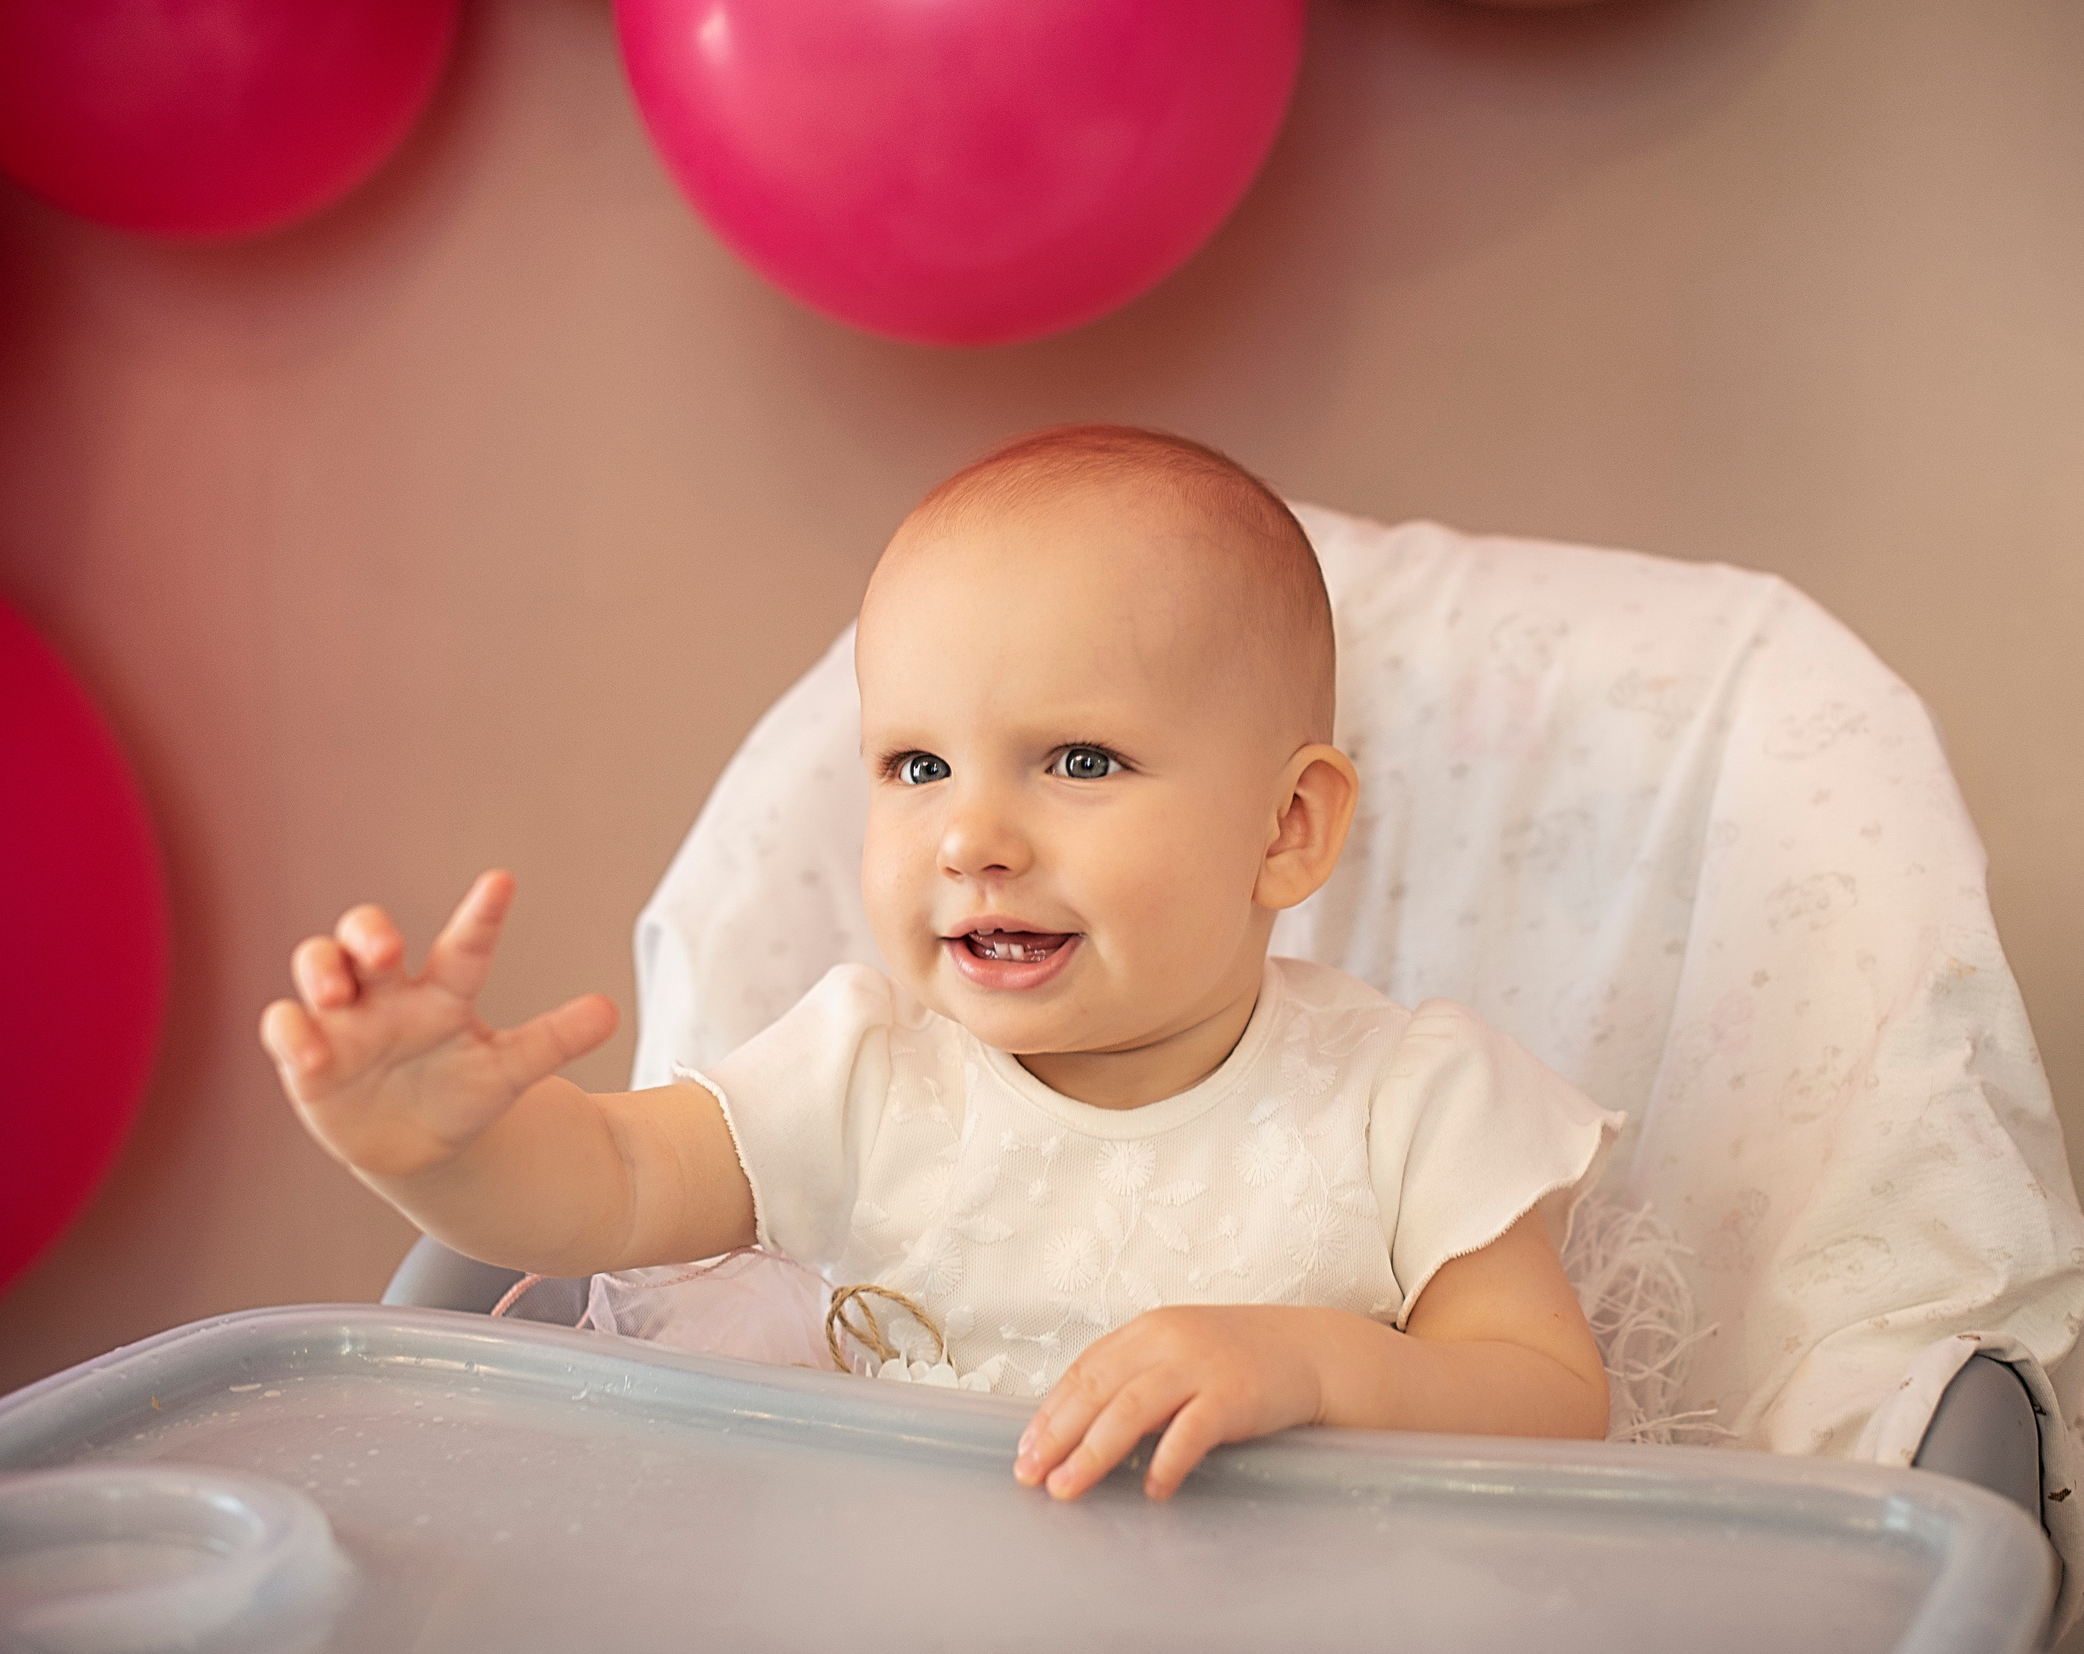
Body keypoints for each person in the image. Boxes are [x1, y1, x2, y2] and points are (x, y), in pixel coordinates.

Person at [262, 424, 1617, 1501]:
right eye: (917, 764)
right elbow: (603, 1189)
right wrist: (434, 1148)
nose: (971, 833)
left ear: (1288, 827)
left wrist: (1312, 1364)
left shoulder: (1405, 1099)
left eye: (1078, 760)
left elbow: (1547, 1395)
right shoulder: (862, 1073)